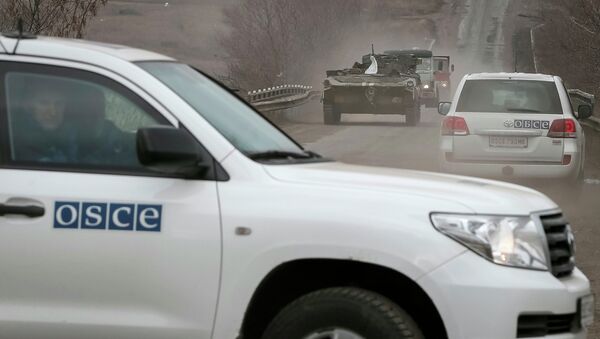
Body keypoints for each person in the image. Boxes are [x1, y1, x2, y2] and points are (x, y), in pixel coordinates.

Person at [14, 79, 77, 163]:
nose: (53, 112)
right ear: (29, 107)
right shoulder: (17, 140)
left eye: (59, 104)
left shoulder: (72, 134)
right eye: (44, 103)